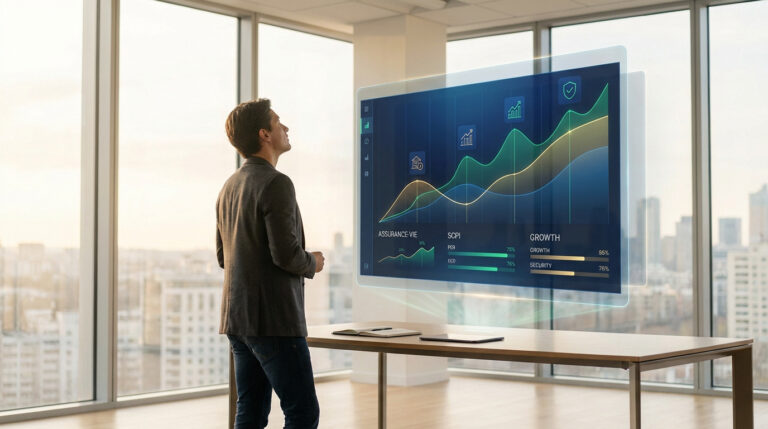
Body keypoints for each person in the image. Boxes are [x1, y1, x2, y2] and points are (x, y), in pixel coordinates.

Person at [217, 98, 324, 429]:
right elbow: (286, 255)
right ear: (264, 134)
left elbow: (223, 256)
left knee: (250, 411)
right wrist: (313, 262)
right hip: (274, 322)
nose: (285, 128)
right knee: (302, 412)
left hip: (237, 319)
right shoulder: (277, 183)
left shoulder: (229, 187)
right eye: (278, 122)